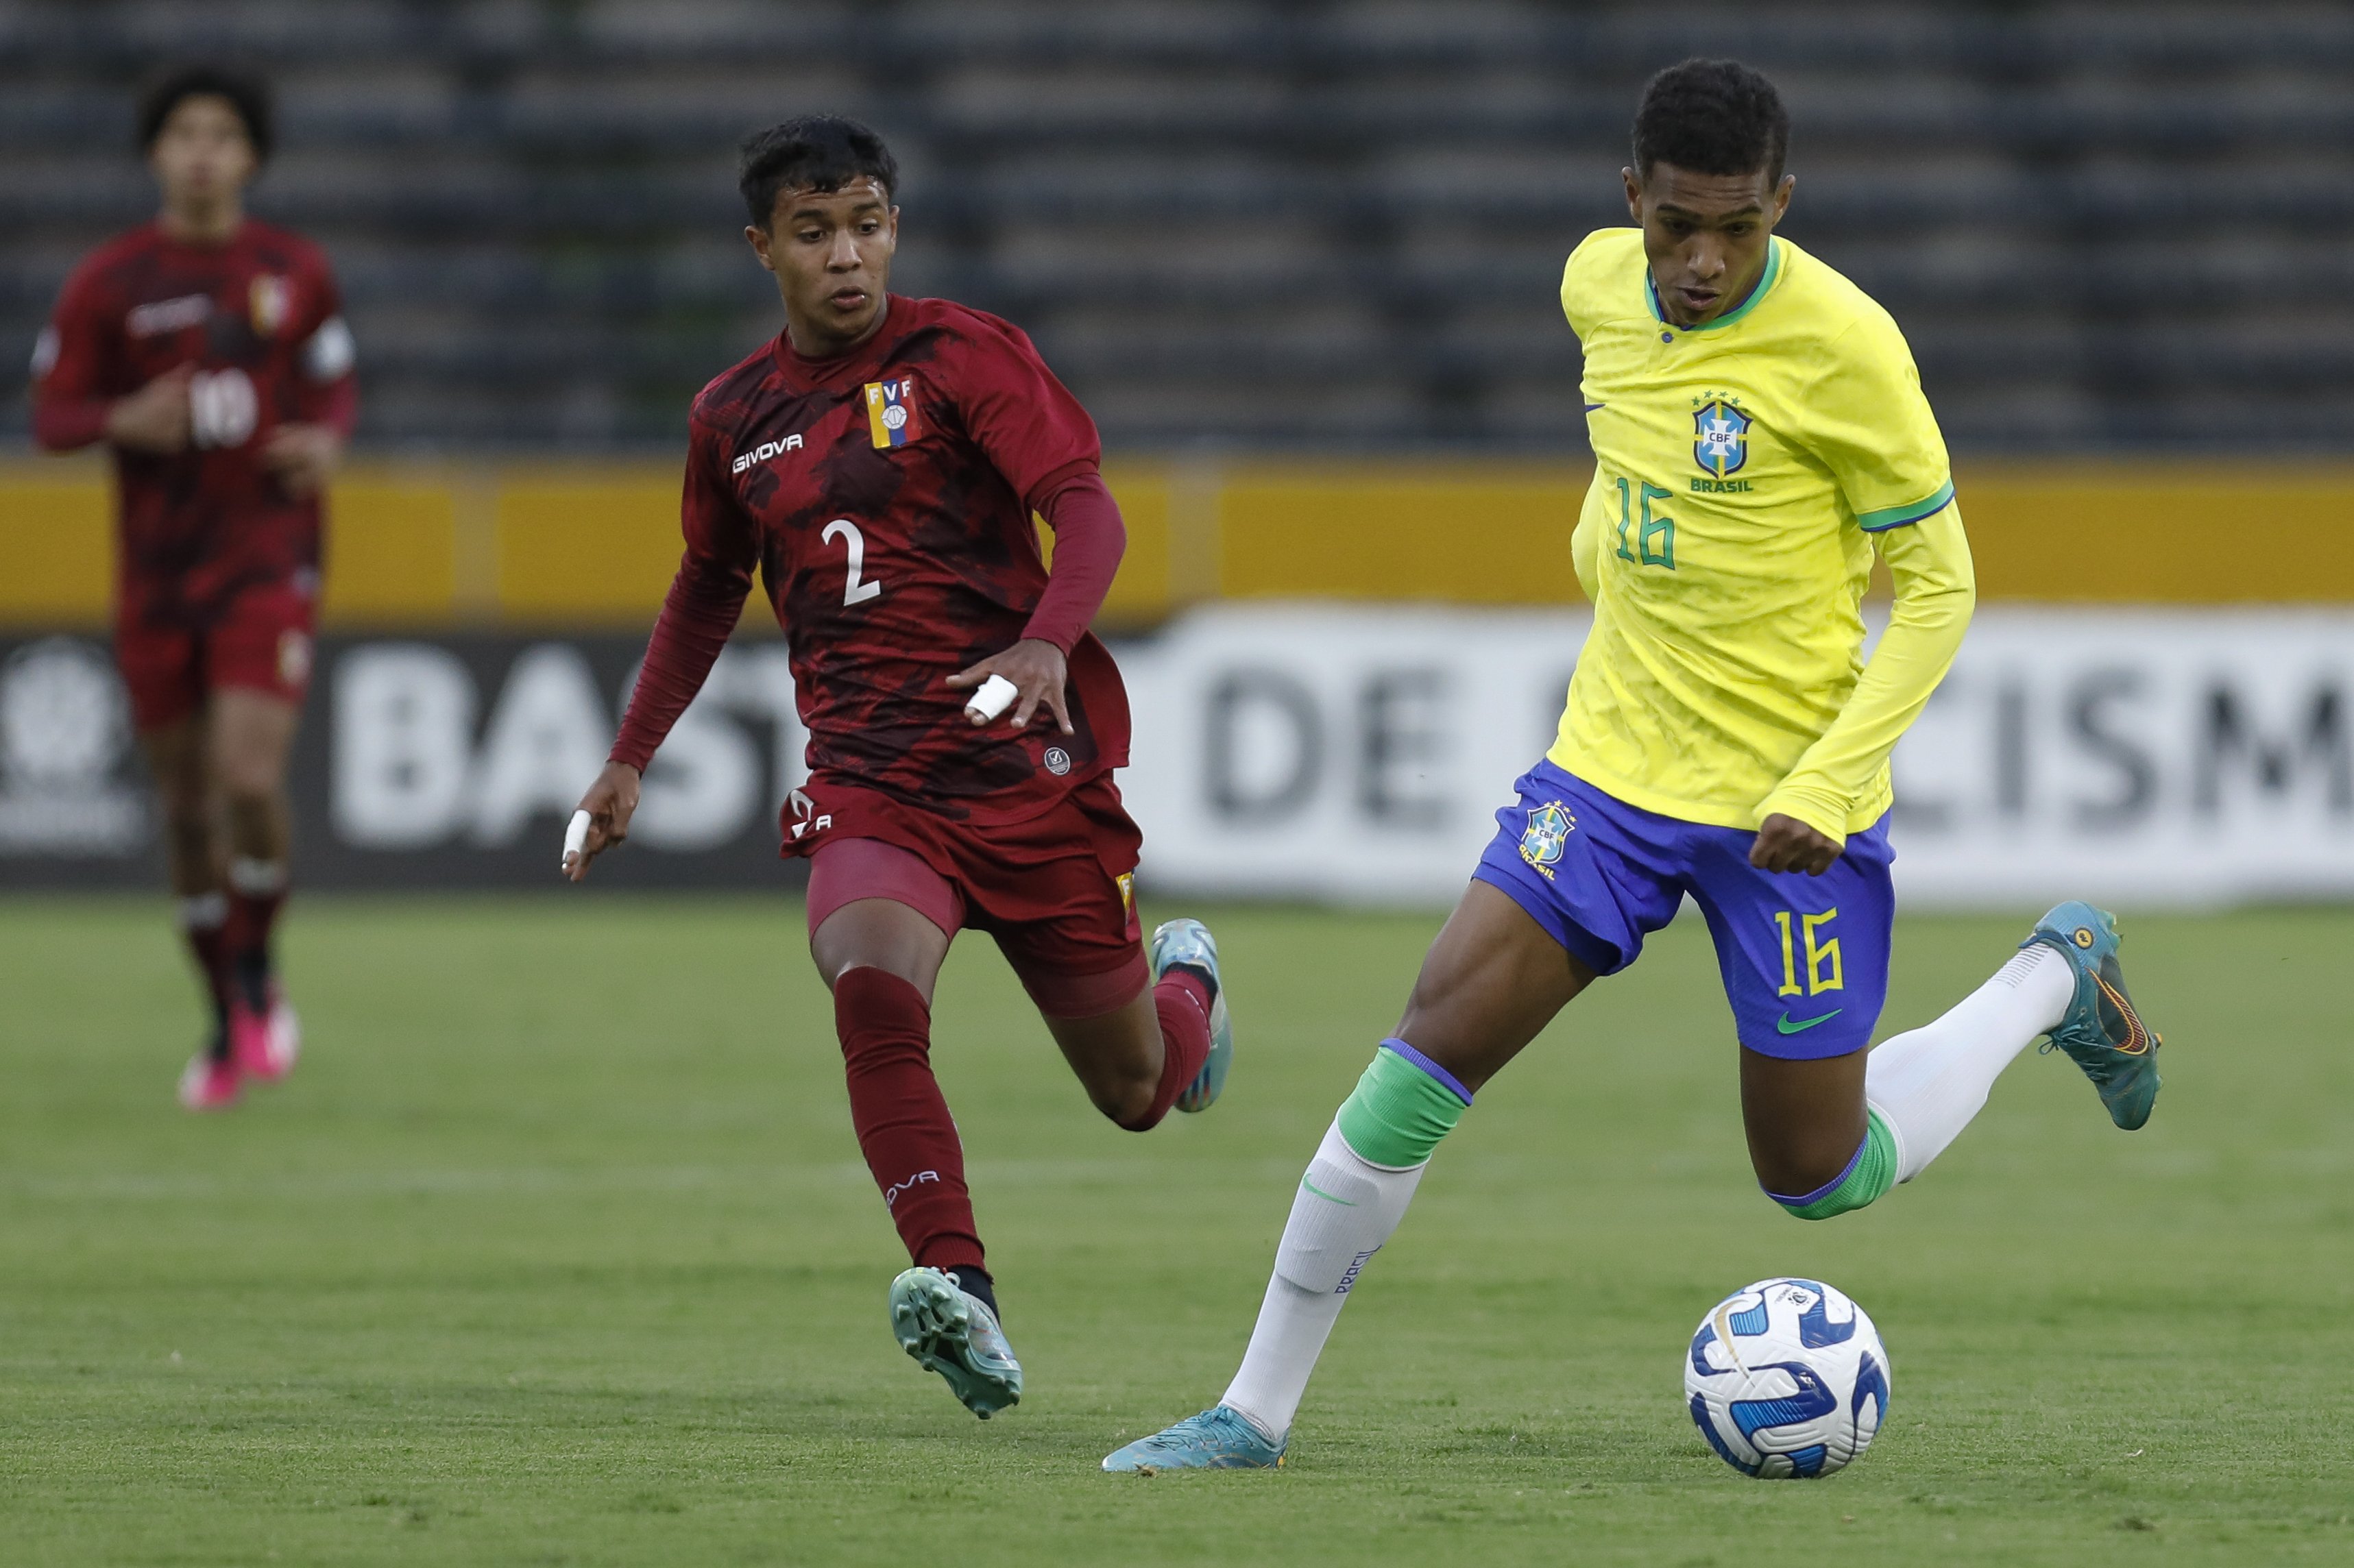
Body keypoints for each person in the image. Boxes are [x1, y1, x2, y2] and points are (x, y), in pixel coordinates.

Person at [1104, 57, 2163, 1472]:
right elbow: (1630, 450)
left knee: (1814, 1174)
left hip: (1790, 810)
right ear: (1630, 203)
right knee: (1422, 1055)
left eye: (1737, 228)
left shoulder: (1848, 347)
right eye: (1676, 228)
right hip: (1604, 777)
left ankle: (2052, 978)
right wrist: (1605, 548)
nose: (1702, 262)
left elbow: (1940, 585)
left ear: (1782, 204)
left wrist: (1832, 784)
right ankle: (1252, 1410)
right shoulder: (1593, 287)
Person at [562, 116, 1233, 1421]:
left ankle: (1189, 990)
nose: (846, 255)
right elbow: (704, 589)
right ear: (763, 248)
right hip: (876, 781)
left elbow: (1085, 505)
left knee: (1138, 1094)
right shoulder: (732, 419)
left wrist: (1046, 645)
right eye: (813, 233)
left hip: (1025, 772)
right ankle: (960, 1289)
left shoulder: (958, 355)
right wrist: (627, 758)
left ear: (894, 229)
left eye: (866, 223)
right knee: (870, 981)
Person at [31, 65, 356, 1111]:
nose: (204, 151)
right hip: (159, 576)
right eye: (185, 133)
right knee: (183, 813)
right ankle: (224, 1017)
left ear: (251, 154)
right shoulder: (109, 283)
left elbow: (334, 380)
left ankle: (258, 973)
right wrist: (121, 421)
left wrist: (327, 439)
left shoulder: (294, 270)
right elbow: (53, 417)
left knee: (247, 780)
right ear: (157, 153)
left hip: (267, 559)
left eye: (223, 133)